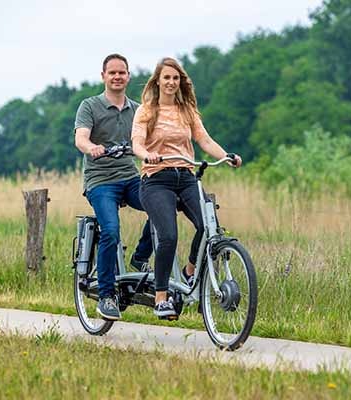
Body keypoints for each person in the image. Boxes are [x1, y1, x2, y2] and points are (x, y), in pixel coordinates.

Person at [131, 57, 242, 319]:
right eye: (166, 77)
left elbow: (203, 139)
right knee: (168, 235)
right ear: (158, 81)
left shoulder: (187, 110)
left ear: (181, 82)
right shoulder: (146, 110)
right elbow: (136, 143)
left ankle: (190, 271)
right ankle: (161, 298)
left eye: (176, 78)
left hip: (187, 176)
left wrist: (226, 156)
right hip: (156, 179)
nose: (171, 82)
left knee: (208, 226)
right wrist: (147, 155)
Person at [74, 53, 153, 321]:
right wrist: (92, 148)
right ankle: (107, 296)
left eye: (122, 72)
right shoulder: (90, 106)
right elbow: (80, 138)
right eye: (112, 73)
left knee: (162, 206)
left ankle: (140, 258)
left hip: (130, 177)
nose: (118, 77)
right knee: (111, 230)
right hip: (101, 180)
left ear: (129, 76)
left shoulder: (137, 110)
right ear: (104, 76)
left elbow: (149, 140)